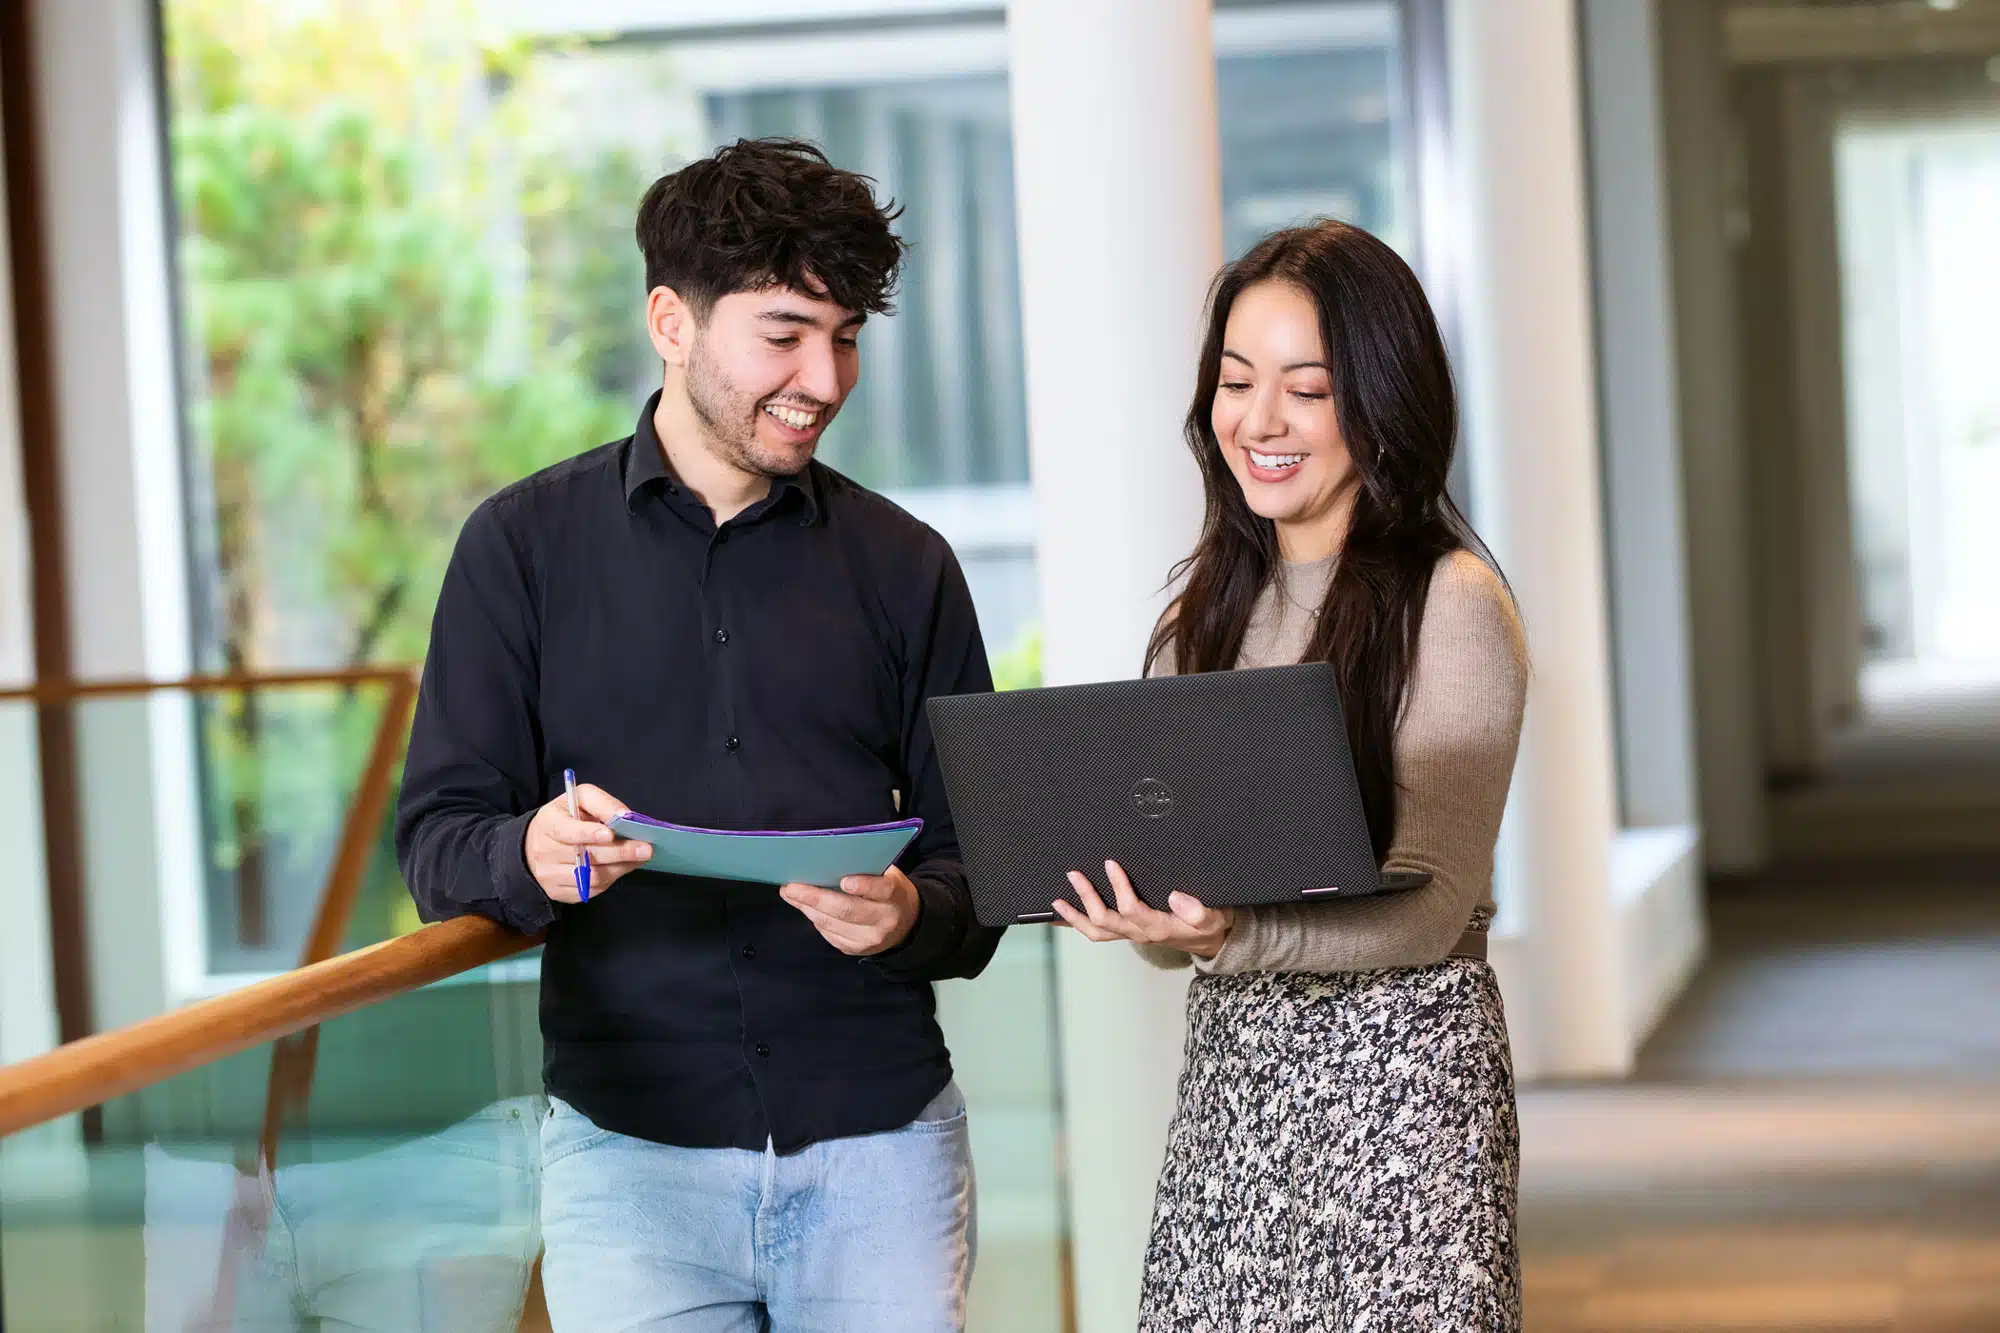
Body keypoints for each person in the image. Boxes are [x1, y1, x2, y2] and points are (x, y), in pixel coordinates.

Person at [394, 137, 1002, 1332]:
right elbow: (436, 843)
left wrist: (912, 911)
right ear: (671, 321)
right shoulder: (518, 551)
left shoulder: (906, 567)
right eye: (784, 333)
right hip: (629, 1166)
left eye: (844, 339)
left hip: (881, 1149)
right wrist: (529, 849)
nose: (821, 378)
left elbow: (983, 864)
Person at [1049, 220, 1529, 1331]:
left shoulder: (1450, 602)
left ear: (1379, 399)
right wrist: (1145, 912)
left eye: (1303, 389)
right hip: (1233, 1081)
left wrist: (1225, 934)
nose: (1256, 421)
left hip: (1400, 1094)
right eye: (1233, 381)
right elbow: (1191, 906)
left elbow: (1430, 907)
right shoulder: (1204, 611)